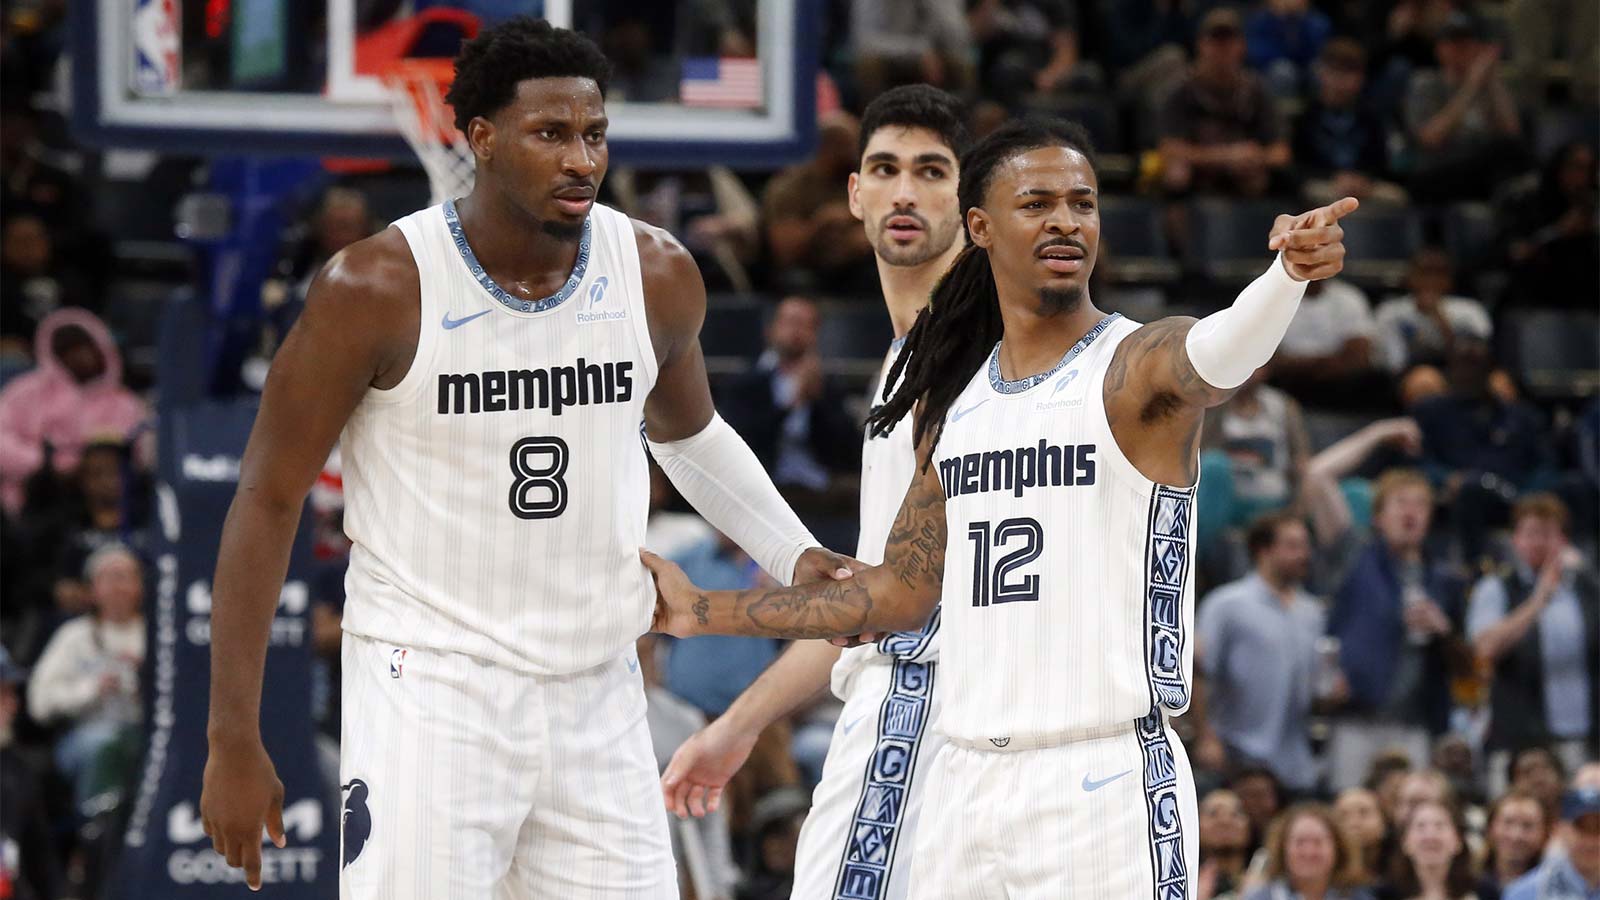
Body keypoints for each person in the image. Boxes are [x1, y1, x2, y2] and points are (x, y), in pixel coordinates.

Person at [199, 19, 857, 896]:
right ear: (480, 139)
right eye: (551, 134)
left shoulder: (654, 270)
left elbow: (691, 436)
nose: (581, 159)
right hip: (431, 689)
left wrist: (794, 550)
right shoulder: (376, 288)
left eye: (594, 134)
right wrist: (231, 737)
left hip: (599, 687)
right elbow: (267, 497)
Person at [646, 116, 1360, 896]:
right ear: (979, 226)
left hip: (1102, 778)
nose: (1065, 221)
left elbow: (1223, 351)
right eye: (1037, 203)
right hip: (964, 782)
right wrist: (698, 610)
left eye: (1082, 203)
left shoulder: (1135, 367)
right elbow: (893, 596)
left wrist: (1286, 278)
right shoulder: (957, 406)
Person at [661, 85, 969, 900]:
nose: (905, 192)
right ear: (854, 194)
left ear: (970, 204)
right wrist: (738, 725)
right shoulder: (902, 365)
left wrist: (702, 611)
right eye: (886, 169)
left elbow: (887, 606)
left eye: (932, 171)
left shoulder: (968, 358)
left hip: (928, 701)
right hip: (926, 696)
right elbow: (862, 600)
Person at [1325, 469, 1466, 789]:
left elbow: (1467, 664)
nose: (1410, 512)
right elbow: (1319, 475)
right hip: (1356, 718)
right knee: (1351, 805)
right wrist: (1380, 439)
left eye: (1420, 504)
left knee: (1413, 805)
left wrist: (1444, 630)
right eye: (1401, 502)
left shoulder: (1445, 579)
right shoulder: (1355, 557)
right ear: (1377, 517)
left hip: (1416, 723)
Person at [1194, 512, 1330, 793]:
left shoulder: (1313, 612)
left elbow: (1314, 685)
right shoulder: (1226, 605)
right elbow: (1199, 672)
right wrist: (1205, 737)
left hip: (1295, 759)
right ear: (1263, 551)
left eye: (1306, 546)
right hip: (1237, 751)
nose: (1304, 555)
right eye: (1292, 546)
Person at [1470, 494, 1599, 788]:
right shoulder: (1496, 587)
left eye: (1548, 534)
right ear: (1515, 540)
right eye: (1531, 533)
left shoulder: (1588, 588)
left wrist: (1588, 572)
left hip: (1585, 738)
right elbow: (1484, 649)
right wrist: (1539, 599)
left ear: (1563, 541)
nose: (1539, 543)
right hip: (1519, 740)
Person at [26, 544, 144, 810]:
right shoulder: (74, 636)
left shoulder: (157, 633)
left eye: (125, 577)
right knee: (105, 742)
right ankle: (96, 825)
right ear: (93, 589)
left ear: (140, 586)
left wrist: (146, 680)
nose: (118, 587)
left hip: (144, 731)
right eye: (109, 578)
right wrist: (92, 688)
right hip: (85, 734)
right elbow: (39, 703)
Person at [0, 309, 149, 517]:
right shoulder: (24, 392)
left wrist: (82, 468)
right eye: (68, 351)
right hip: (30, 502)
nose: (79, 357)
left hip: (100, 503)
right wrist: (41, 463)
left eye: (85, 348)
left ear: (101, 348)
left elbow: (135, 454)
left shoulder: (124, 402)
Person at [718, 296, 864, 495]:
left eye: (806, 325)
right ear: (771, 329)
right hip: (761, 484)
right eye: (791, 322)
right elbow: (741, 440)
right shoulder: (746, 382)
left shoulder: (827, 385)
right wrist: (789, 405)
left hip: (818, 487)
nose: (796, 332)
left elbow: (847, 449)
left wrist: (817, 400)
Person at [1161, 7, 1292, 199]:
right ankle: (1176, 217)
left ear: (1241, 46)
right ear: (1201, 44)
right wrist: (1226, 156)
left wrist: (1255, 157)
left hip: (1243, 175)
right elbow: (1169, 149)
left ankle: (1255, 217)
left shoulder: (1255, 89)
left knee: (1258, 176)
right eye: (1215, 41)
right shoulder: (1182, 88)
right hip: (1198, 174)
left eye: (1229, 41)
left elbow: (1281, 152)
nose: (1222, 49)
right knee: (1176, 173)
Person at [1404, 11, 1527, 201]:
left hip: (1480, 172)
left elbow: (1511, 131)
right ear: (1438, 48)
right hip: (1437, 171)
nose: (1459, 49)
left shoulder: (1487, 87)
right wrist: (1471, 86)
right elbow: (1430, 138)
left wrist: (1493, 81)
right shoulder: (1426, 83)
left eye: (1466, 43)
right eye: (1452, 43)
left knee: (1511, 153)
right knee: (1502, 154)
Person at [1294, 38, 1408, 207]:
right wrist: (1334, 177)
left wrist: (1363, 180)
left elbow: (1380, 161)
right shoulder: (1306, 116)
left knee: (1395, 196)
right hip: (1324, 182)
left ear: (1361, 78)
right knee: (1316, 193)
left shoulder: (1371, 116)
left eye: (1349, 74)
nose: (1341, 81)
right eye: (1335, 72)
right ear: (1321, 73)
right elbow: (1298, 165)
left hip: (1364, 184)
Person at [1374, 248, 1493, 375]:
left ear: (1449, 279)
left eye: (1439, 273)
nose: (1431, 279)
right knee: (1425, 380)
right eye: (1425, 272)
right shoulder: (1390, 311)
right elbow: (1392, 362)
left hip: (1461, 373)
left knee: (1499, 382)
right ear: (1410, 276)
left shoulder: (1470, 309)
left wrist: (1439, 317)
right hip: (1407, 374)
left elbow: (1477, 354)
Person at [1244, 803, 1377, 900]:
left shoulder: (1360, 897)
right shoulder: (1260, 898)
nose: (1309, 852)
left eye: (1318, 842)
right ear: (1282, 850)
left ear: (1338, 849)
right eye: (1300, 842)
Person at [1503, 784, 1600, 900]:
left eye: (1598, 827)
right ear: (1560, 829)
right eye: (1581, 826)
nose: (1590, 840)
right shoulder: (1526, 892)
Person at [1385, 798, 1478, 900]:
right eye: (1421, 826)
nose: (1430, 835)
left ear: (1458, 841)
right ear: (1405, 843)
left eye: (1439, 826)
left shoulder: (1482, 893)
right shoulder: (1383, 895)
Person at [1477, 791, 1549, 900]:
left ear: (1544, 834)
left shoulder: (1551, 887)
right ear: (1490, 828)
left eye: (1527, 826)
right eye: (1508, 822)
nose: (1516, 835)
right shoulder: (1467, 881)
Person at [1199, 788, 1256, 900]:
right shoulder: (1180, 883)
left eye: (1235, 814)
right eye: (1213, 814)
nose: (1225, 821)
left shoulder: (1270, 882)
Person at [1336, 787, 1392, 886]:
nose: (1353, 823)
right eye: (1343, 815)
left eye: (1364, 812)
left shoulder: (1398, 870)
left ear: (1384, 820)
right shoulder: (1327, 874)